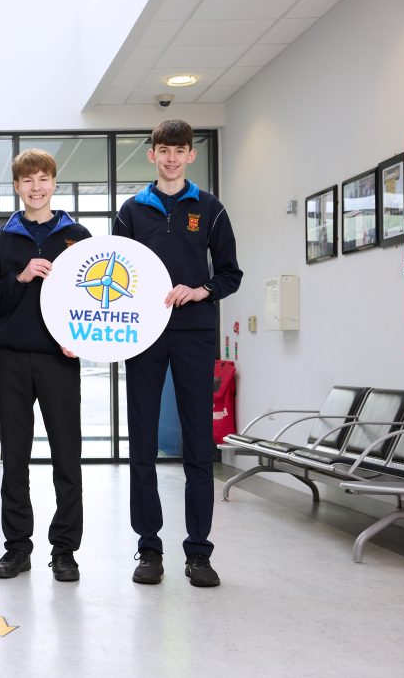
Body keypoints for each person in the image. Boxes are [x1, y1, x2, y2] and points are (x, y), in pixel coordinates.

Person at [113, 119, 242, 587]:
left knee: (197, 445)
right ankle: (149, 549)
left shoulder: (210, 209)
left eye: (179, 150)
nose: (171, 157)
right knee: (142, 443)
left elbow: (230, 274)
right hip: (143, 335)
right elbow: (116, 270)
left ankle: (199, 553)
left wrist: (201, 289)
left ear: (191, 155)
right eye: (163, 149)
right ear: (152, 155)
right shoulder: (131, 211)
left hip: (193, 333)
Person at [0, 148, 91, 581]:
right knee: (15, 458)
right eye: (28, 180)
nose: (36, 187)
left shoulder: (78, 236)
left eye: (43, 178)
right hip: (10, 359)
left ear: (54, 183)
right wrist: (21, 277)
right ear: (16, 187)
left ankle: (64, 550)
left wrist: (78, 338)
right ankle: (17, 547)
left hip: (60, 360)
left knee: (67, 456)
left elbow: (92, 299)